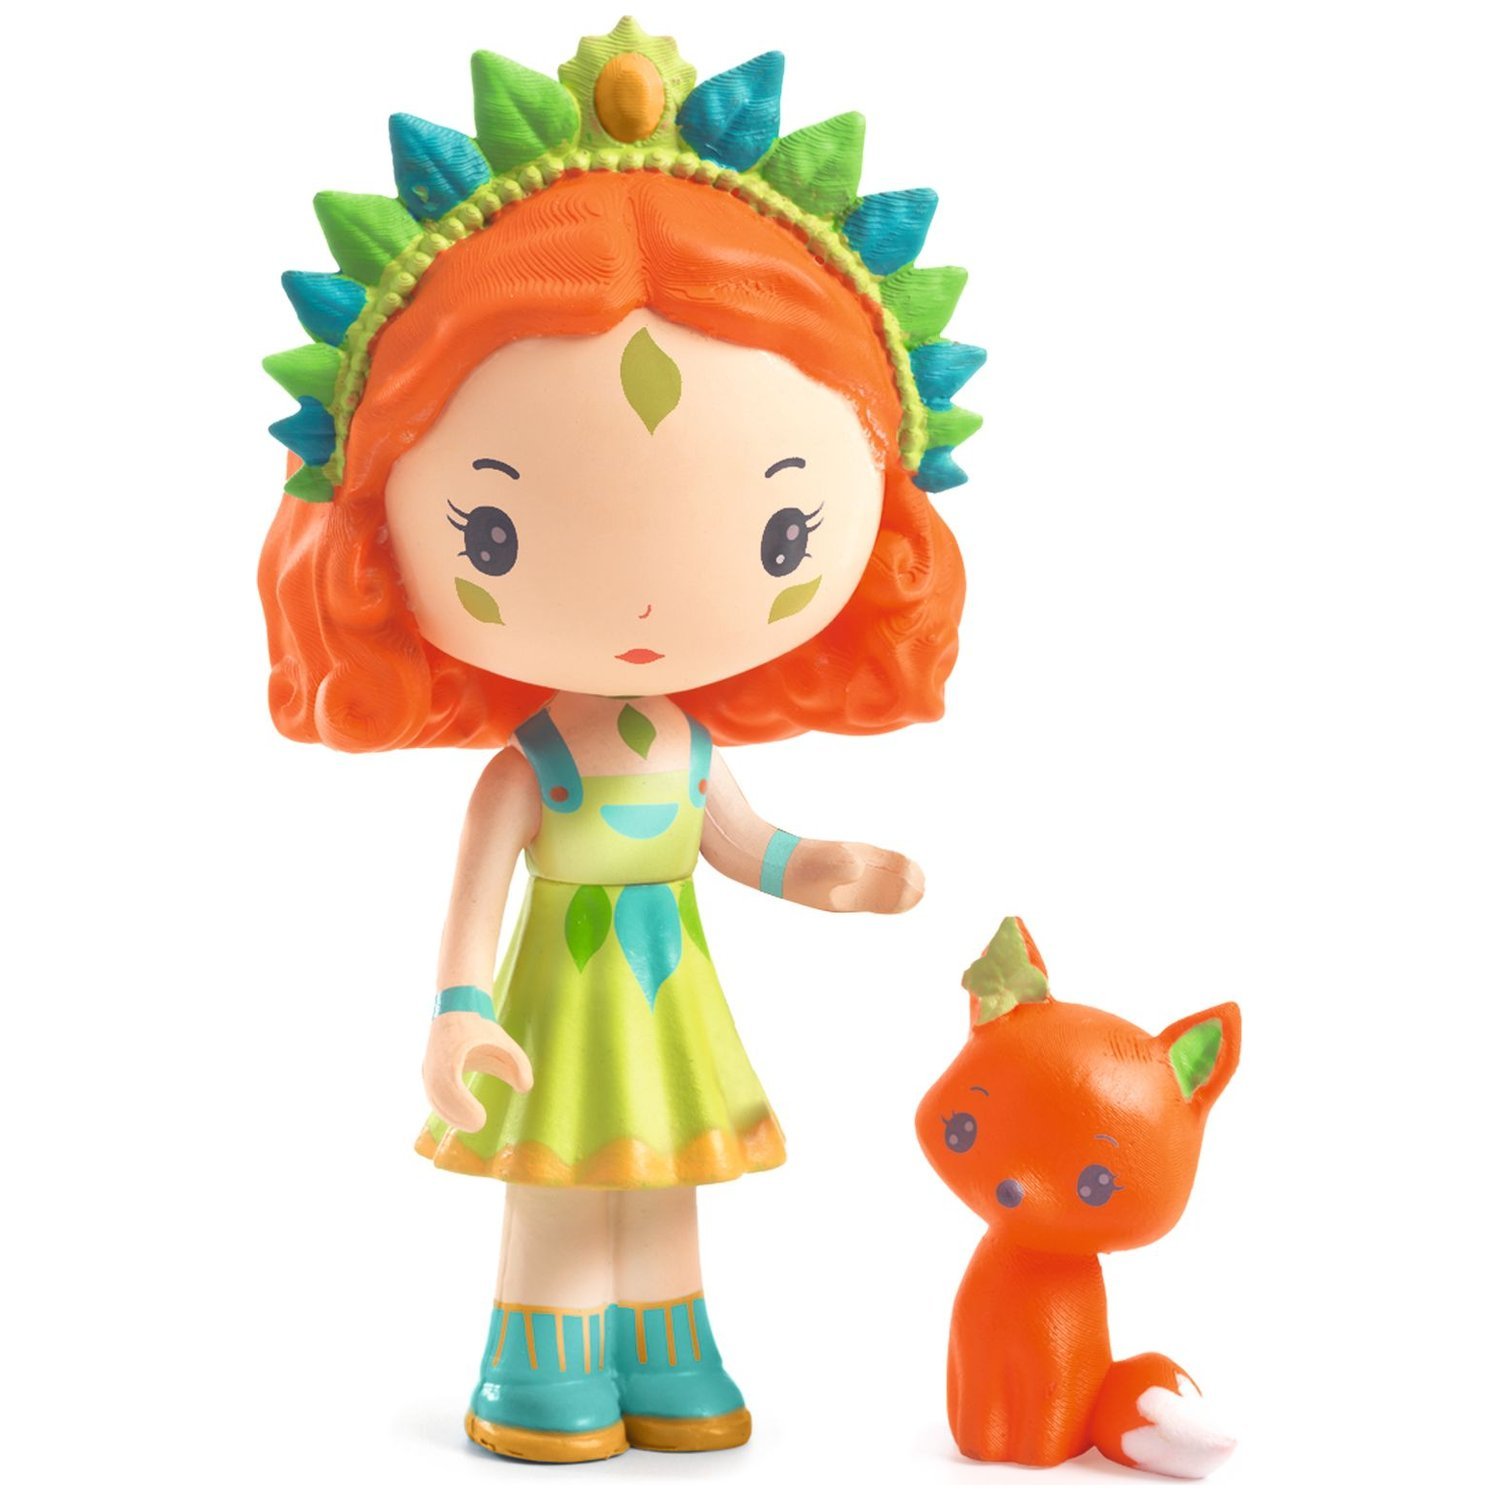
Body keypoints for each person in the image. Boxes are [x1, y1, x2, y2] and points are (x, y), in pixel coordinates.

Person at [259, 18, 981, 1464]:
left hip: (668, 986)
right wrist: (457, 1011)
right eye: (491, 531)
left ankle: (666, 1351)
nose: (648, 609)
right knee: (559, 1182)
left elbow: (744, 844)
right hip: (556, 998)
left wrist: (826, 869)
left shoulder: (691, 753)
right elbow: (473, 906)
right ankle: (540, 1364)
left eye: (786, 531)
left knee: (661, 1180)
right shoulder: (529, 770)